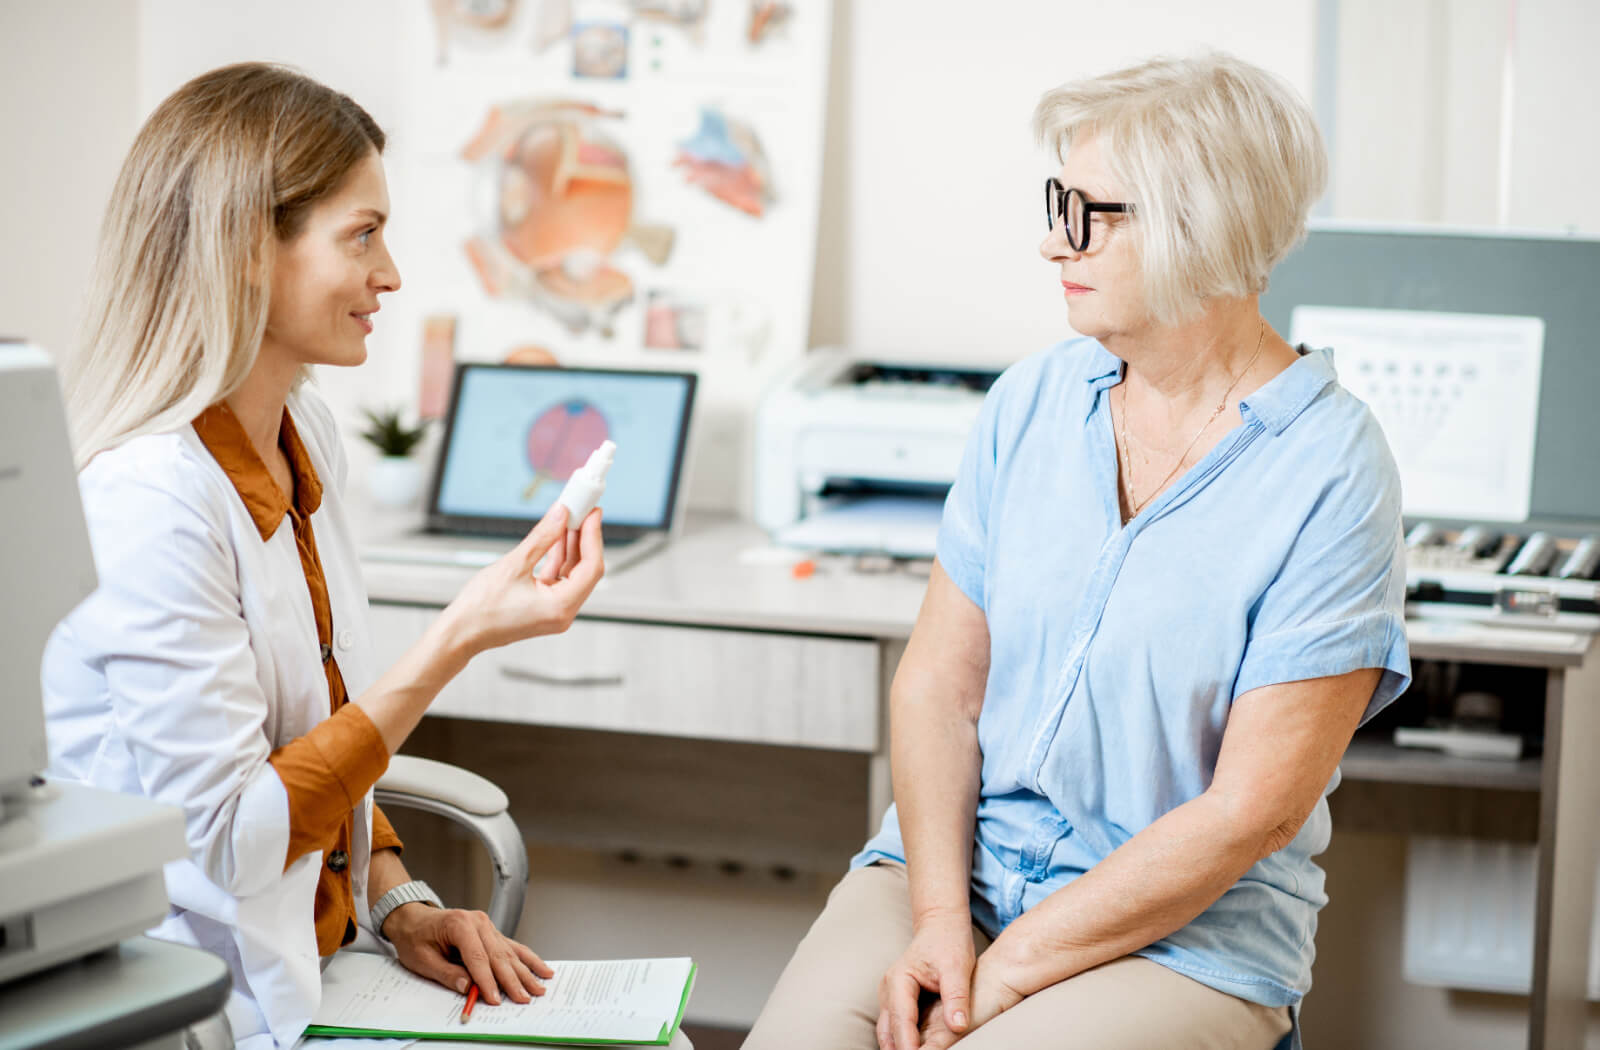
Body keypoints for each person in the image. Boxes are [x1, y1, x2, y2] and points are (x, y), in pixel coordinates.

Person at [744, 52, 1410, 1050]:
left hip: (1180, 933)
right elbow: (938, 688)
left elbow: (1249, 813)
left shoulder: (1330, 468)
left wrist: (1003, 973)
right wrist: (937, 927)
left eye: (1091, 213)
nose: (1055, 242)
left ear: (1204, 221)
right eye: (1060, 202)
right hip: (955, 874)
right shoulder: (1033, 401)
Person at [40, 63, 605, 1050]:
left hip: (327, 960)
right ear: (252, 249)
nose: (389, 274)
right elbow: (231, 842)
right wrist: (455, 640)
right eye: (363, 234)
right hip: (200, 996)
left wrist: (399, 905)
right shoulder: (150, 501)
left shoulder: (303, 432)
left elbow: (315, 736)